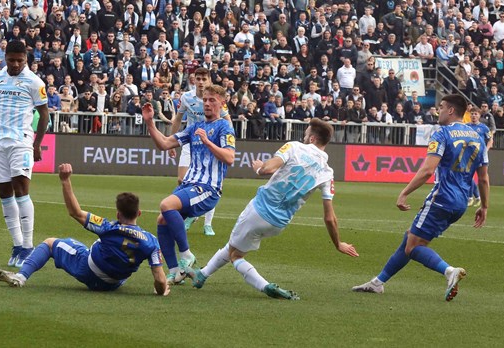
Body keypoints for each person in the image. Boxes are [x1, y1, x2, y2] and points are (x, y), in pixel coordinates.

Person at [183, 118, 358, 300]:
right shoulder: (327, 172)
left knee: (235, 255)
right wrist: (338, 244)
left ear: (312, 138)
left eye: (306, 134)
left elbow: (267, 168)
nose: (304, 136)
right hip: (279, 223)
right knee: (234, 246)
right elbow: (330, 218)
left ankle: (266, 286)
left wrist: (259, 168)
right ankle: (201, 276)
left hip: (259, 210)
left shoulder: (294, 147)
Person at [352, 94, 490, 302]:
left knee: (413, 246)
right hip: (461, 203)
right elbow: (484, 178)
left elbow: (427, 170)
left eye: (442, 107)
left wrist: (404, 192)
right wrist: (485, 206)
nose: (438, 111)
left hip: (442, 197)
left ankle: (449, 271)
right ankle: (378, 283)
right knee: (410, 237)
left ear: (451, 110)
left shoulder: (442, 133)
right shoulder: (478, 137)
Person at [0, 164, 170, 296]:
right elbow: (160, 280)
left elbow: (75, 212)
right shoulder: (151, 241)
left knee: (50, 243)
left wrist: (65, 181)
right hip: (114, 284)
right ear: (138, 212)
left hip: (88, 270)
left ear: (118, 213)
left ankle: (21, 277)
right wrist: (161, 291)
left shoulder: (108, 227)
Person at [143, 84, 236, 285]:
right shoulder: (194, 127)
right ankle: (176, 271)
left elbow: (230, 158)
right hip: (189, 184)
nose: (208, 103)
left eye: (212, 100)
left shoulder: (224, 127)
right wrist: (150, 123)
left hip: (208, 188)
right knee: (162, 220)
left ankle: (186, 255)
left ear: (222, 103)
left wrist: (208, 142)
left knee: (166, 205)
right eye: (205, 100)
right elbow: (165, 144)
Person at [0, 40, 50, 268]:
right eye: (11, 60)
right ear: (5, 57)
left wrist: (37, 143)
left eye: (19, 61)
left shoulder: (34, 82)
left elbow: (44, 114)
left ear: (26, 60)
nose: (15, 64)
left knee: (21, 190)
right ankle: (17, 245)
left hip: (21, 142)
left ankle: (28, 246)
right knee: (4, 193)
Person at [169, 68, 232, 237]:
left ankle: (208, 224)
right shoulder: (186, 97)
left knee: (211, 182)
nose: (201, 82)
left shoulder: (215, 99)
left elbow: (227, 120)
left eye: (204, 78)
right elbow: (177, 120)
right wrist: (172, 143)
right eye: (198, 79)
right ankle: (190, 213)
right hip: (190, 143)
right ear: (193, 80)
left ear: (209, 80)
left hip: (210, 143)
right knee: (182, 180)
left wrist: (228, 142)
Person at [467, 106, 493, 207]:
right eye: (472, 113)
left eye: (476, 114)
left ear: (479, 115)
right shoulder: (466, 127)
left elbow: (490, 139)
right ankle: (470, 197)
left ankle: (482, 199)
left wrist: (486, 149)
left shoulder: (484, 128)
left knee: (483, 178)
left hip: (481, 155)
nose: (473, 115)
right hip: (469, 155)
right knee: (467, 177)